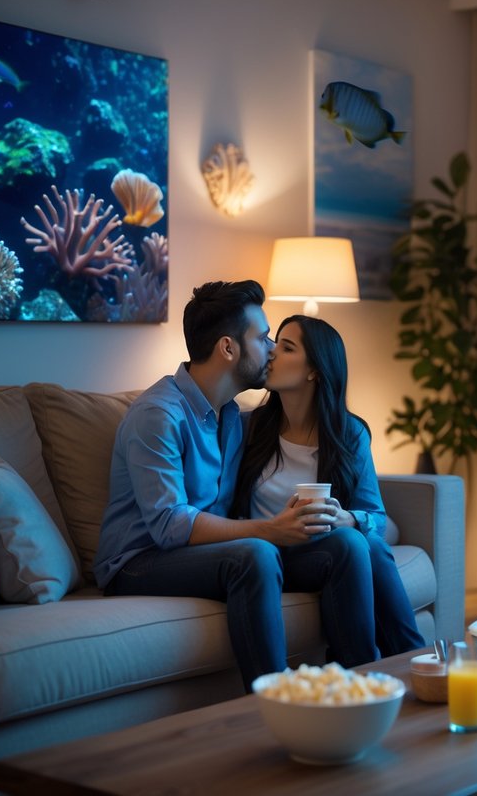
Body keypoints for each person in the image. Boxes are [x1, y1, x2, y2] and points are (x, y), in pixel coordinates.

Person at [93, 281, 333, 689]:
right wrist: (269, 530)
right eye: (262, 337)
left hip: (202, 554)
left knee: (340, 548)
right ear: (227, 348)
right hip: (137, 562)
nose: (272, 348)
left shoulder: (231, 416)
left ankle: (364, 682)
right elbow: (170, 525)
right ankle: (275, 700)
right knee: (254, 554)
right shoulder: (159, 414)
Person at [231, 314, 425, 667]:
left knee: (367, 543)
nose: (271, 352)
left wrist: (345, 517)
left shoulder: (349, 433)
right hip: (264, 557)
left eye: (286, 347)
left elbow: (377, 518)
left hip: (320, 556)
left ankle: (412, 663)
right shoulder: (247, 428)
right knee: (359, 545)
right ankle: (377, 668)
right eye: (274, 342)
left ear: (314, 371)